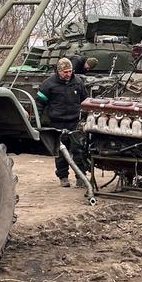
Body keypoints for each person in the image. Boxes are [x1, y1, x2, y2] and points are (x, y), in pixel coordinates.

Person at [38, 57, 89, 187]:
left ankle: (81, 177)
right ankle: (63, 177)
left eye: (70, 71)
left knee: (78, 150)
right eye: (65, 72)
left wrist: (86, 117)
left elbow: (86, 101)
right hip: (57, 123)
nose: (68, 74)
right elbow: (39, 103)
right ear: (59, 71)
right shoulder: (48, 84)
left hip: (74, 122)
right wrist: (36, 121)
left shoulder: (78, 82)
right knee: (61, 152)